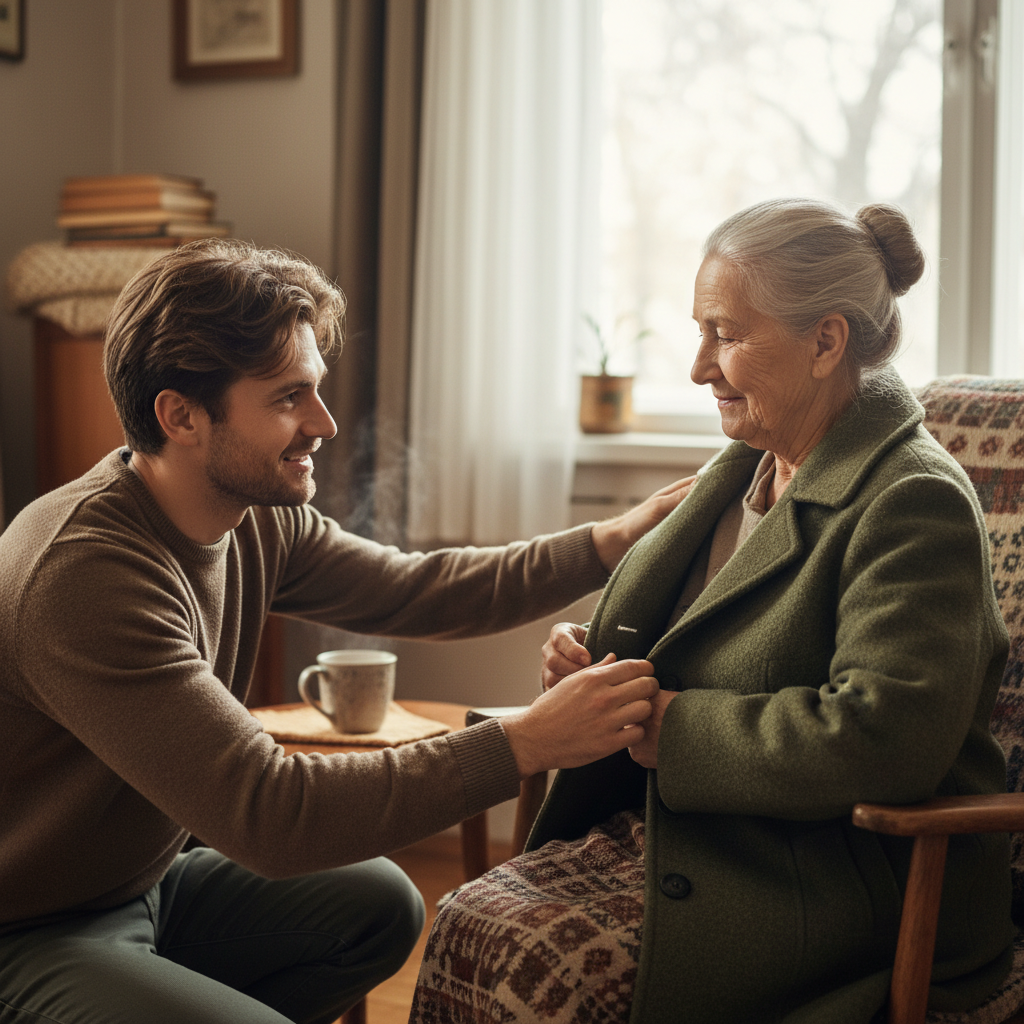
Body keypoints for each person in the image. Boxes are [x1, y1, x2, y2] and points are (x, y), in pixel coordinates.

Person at [0, 238, 689, 1024]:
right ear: (181, 415)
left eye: (317, 390)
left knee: (378, 905)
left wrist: (610, 541)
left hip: (140, 884)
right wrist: (527, 742)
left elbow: (417, 589)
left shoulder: (256, 518)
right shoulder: (84, 574)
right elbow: (269, 812)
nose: (323, 422)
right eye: (288, 397)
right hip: (27, 926)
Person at [409, 199, 1016, 1024]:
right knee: (471, 922)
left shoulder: (913, 501)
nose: (699, 366)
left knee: (527, 954)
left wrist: (671, 727)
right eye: (701, 332)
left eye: (725, 334)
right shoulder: (744, 464)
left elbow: (886, 739)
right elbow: (717, 633)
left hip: (834, 876)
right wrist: (596, 664)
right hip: (699, 834)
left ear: (826, 341)